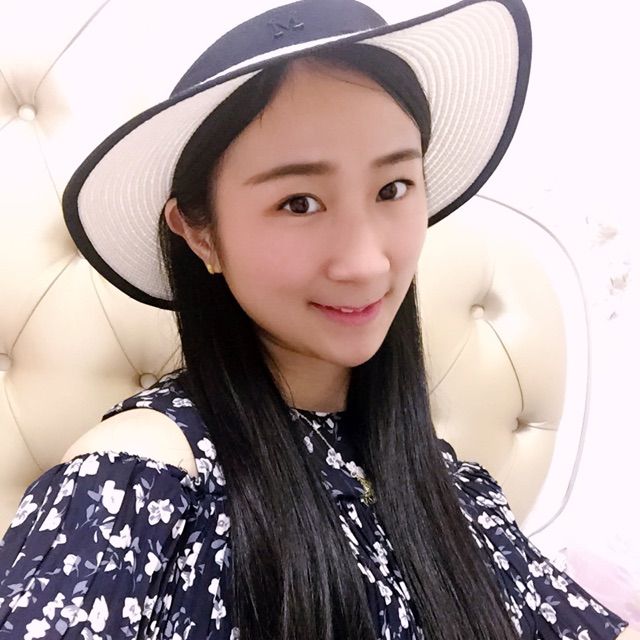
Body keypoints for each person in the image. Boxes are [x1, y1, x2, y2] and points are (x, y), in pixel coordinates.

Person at [0, 0, 635, 638]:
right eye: (299, 202)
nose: (365, 263)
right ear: (199, 233)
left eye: (392, 189)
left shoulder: (447, 489)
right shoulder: (137, 482)